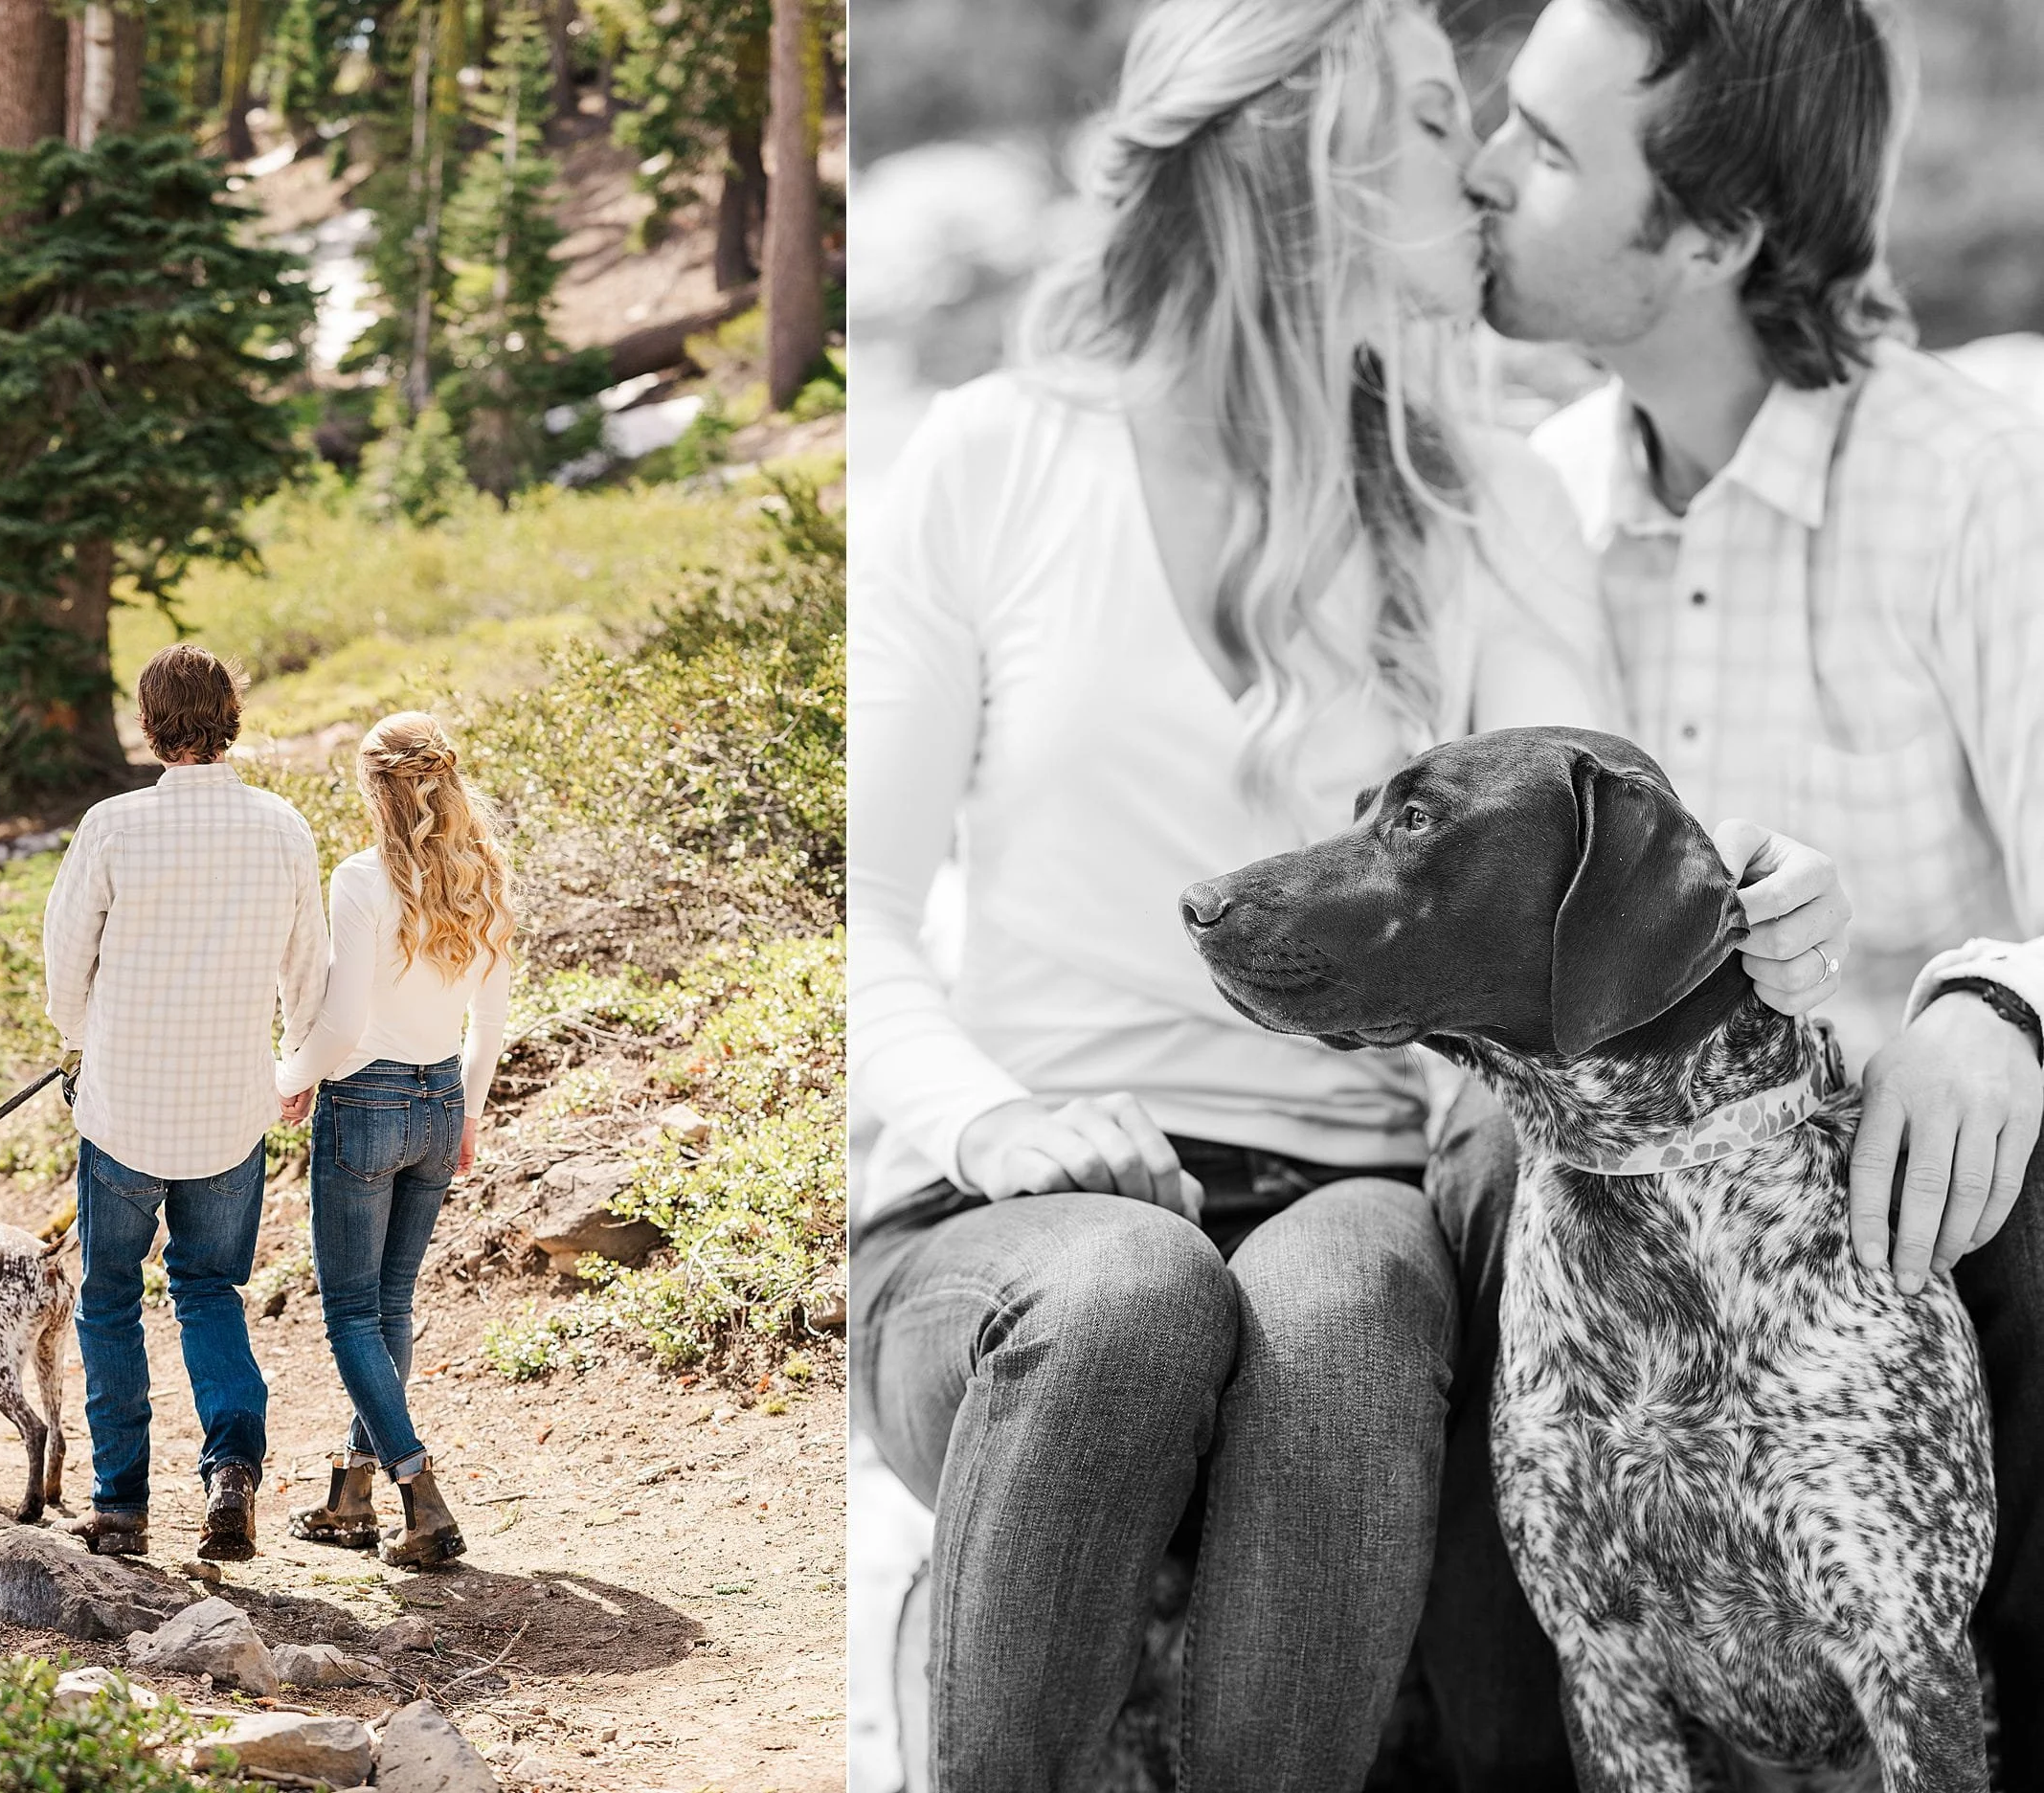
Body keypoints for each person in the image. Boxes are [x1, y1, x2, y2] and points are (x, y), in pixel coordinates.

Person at [846, 0, 1849, 1784]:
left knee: (1362, 1285)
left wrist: (1770, 909)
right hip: (996, 1214)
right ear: (1305, 152)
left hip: (1353, 1176)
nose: (1478, 168)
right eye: (1424, 116)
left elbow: (1584, 892)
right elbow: (859, 914)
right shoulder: (994, 462)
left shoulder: (1478, 514)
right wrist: (995, 1122)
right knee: (1130, 1292)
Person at [1466, 0, 2044, 1779]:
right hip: (1621, 1209)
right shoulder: (1533, 510)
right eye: (1506, 119)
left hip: (1912, 1199)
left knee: (2018, 1209)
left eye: (1549, 148)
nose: (1483, 169)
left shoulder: (1972, 482)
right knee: (1473, 1190)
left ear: (1713, 235)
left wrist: (1994, 997)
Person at [44, 644, 327, 1560]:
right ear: (231, 715)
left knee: (110, 1296)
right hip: (231, 1110)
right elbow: (309, 969)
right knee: (210, 1290)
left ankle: (121, 1503)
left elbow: (64, 960)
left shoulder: (113, 825)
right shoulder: (282, 824)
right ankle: (231, 1469)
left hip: (124, 1108)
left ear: (148, 721)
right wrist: (295, 1069)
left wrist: (88, 1034)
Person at [273, 712, 513, 1570]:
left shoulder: (361, 879)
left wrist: (288, 1076)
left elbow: (341, 1022)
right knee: (393, 1304)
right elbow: (490, 1019)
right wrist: (470, 1113)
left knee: (349, 1312)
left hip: (366, 1098)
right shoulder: (482, 873)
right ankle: (352, 1494)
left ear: (374, 786)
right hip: (442, 1095)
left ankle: (418, 1487)